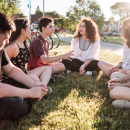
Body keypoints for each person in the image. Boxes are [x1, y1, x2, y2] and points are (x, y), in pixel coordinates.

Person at [0, 13, 48, 129]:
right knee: (17, 104)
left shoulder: (0, 50)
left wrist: (32, 84)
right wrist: (30, 93)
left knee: (26, 83)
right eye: (5, 39)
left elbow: (11, 70)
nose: (7, 42)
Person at [1, 18, 52, 93]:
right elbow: (2, 65)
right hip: (14, 77)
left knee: (48, 68)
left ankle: (43, 87)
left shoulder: (24, 44)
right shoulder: (13, 46)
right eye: (30, 29)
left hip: (23, 73)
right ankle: (41, 87)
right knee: (35, 79)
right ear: (22, 30)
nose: (31, 32)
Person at [106, 18, 130, 109]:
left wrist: (120, 84)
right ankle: (125, 99)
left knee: (113, 92)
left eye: (123, 28)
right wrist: (119, 81)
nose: (121, 30)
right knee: (114, 77)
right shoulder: (127, 43)